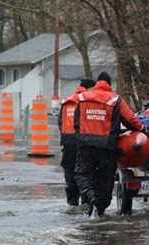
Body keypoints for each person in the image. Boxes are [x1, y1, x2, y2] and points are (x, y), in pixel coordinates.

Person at [74, 72, 144, 217]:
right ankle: (100, 209)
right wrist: (142, 130)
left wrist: (81, 137)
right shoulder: (115, 99)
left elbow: (76, 122)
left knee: (82, 174)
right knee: (106, 179)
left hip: (86, 145)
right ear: (109, 84)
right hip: (107, 147)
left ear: (96, 83)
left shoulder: (82, 97)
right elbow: (130, 120)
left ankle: (90, 196)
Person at [58, 79, 95, 209]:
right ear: (90, 88)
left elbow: (60, 122)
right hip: (83, 141)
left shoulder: (67, 101)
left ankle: (72, 202)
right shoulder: (87, 100)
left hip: (68, 142)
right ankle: (85, 202)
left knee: (69, 171)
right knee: (84, 172)